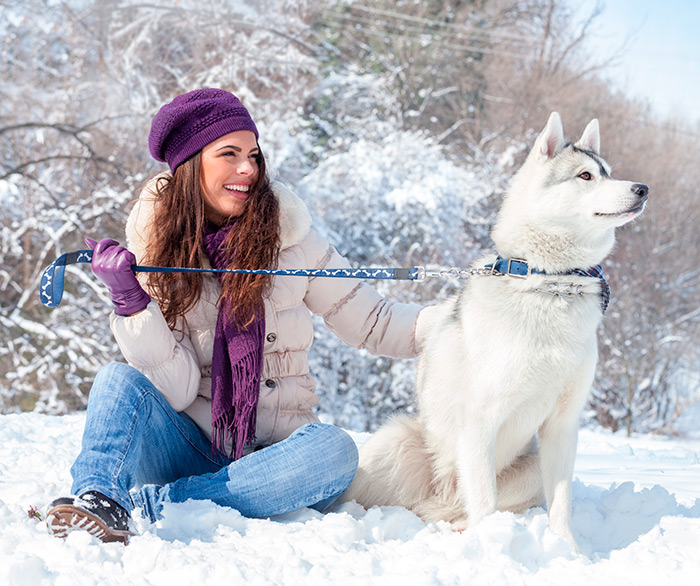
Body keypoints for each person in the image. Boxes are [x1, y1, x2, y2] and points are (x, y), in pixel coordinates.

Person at [46, 88, 435, 544]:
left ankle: (161, 504)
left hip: (275, 458)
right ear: (190, 166)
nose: (247, 169)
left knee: (335, 450)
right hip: (189, 443)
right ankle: (99, 499)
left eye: (253, 154)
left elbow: (375, 321)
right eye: (228, 154)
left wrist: (459, 323)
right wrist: (133, 306)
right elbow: (177, 388)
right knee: (117, 380)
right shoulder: (157, 251)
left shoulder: (292, 239)